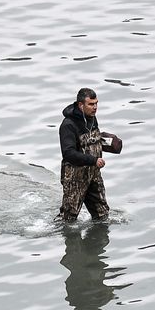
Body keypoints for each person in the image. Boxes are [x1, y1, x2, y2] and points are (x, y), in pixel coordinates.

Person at [57, 87, 110, 223]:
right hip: (75, 178)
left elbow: (90, 141)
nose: (95, 107)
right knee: (68, 219)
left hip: (93, 174)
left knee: (102, 214)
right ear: (81, 105)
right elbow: (68, 153)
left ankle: (99, 241)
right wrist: (93, 160)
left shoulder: (92, 118)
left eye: (96, 103)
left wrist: (108, 142)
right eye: (91, 104)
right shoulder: (68, 125)